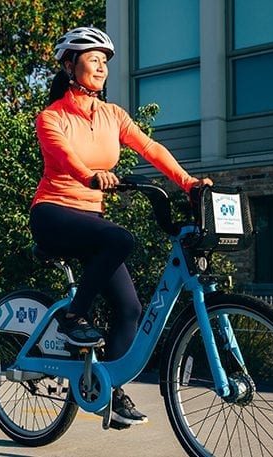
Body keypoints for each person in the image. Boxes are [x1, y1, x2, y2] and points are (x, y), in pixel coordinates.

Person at [29, 27, 213, 427]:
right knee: (120, 238)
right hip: (53, 213)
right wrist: (90, 176)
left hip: (89, 219)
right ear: (69, 66)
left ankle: (108, 388)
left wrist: (189, 183)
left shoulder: (113, 115)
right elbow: (64, 158)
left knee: (130, 309)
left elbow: (150, 148)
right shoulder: (51, 117)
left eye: (104, 61)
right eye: (92, 59)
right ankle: (73, 317)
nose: (101, 67)